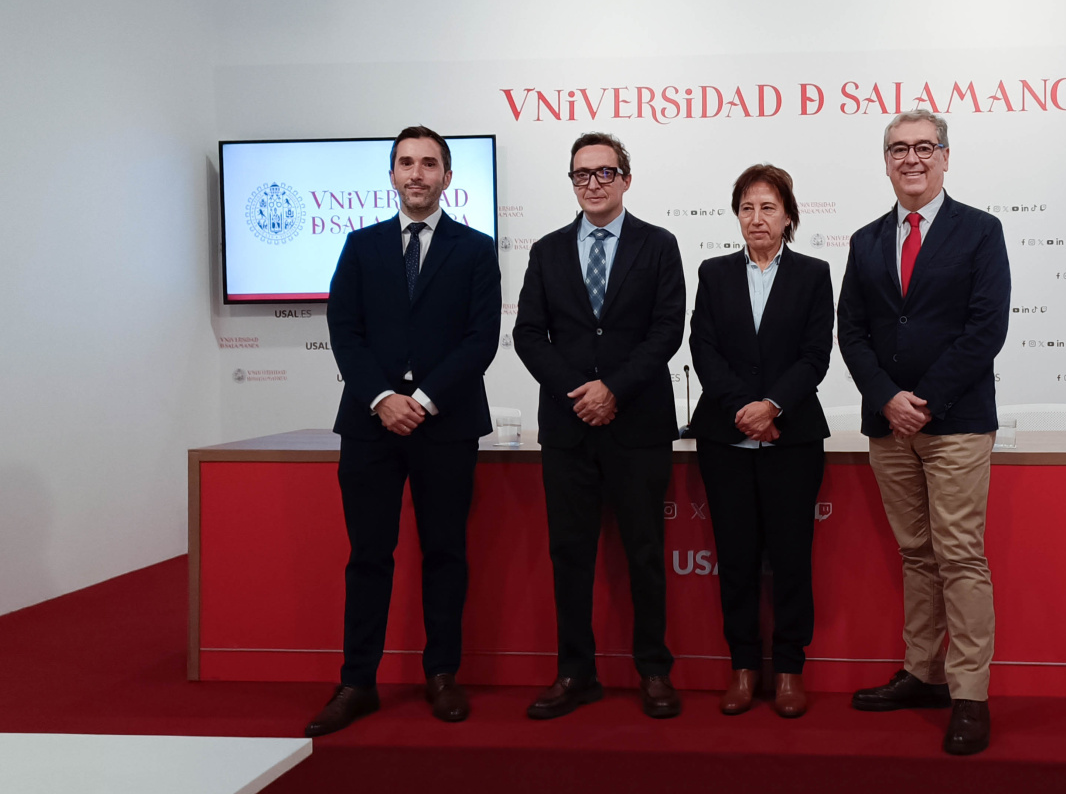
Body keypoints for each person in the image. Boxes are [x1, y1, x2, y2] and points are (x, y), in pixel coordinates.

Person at [307, 125, 502, 737]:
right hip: (371, 424)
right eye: (406, 163)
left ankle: (442, 674)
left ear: (447, 177)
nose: (417, 173)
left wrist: (422, 399)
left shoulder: (476, 250)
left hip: (446, 423)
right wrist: (383, 398)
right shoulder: (360, 246)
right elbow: (345, 331)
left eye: (429, 163)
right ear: (392, 175)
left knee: (445, 553)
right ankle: (357, 682)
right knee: (368, 556)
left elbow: (481, 339)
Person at [836, 110, 1010, 755]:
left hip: (955, 423)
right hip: (888, 426)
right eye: (898, 149)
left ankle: (970, 693)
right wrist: (886, 398)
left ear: (944, 156)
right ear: (885, 161)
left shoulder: (981, 231)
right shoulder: (866, 240)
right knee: (916, 554)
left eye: (923, 147)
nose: (911, 158)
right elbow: (852, 330)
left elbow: (986, 329)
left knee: (959, 556)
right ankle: (923, 673)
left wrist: (925, 402)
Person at [513, 132, 687, 720]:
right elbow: (528, 334)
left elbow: (667, 329)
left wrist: (613, 388)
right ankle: (575, 673)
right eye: (581, 174)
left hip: (637, 425)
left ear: (626, 179)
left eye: (605, 173)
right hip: (569, 430)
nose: (593, 184)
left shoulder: (658, 245)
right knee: (570, 556)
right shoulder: (547, 250)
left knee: (645, 553)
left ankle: (654, 671)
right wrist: (579, 393)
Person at [689, 164, 833, 718]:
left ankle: (790, 668)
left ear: (788, 217)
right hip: (725, 440)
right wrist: (744, 412)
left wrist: (772, 406)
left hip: (791, 438)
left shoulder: (813, 274)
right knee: (736, 559)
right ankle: (744, 667)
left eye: (768, 207)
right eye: (747, 207)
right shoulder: (714, 273)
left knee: (792, 558)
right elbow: (704, 350)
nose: (757, 218)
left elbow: (815, 355)